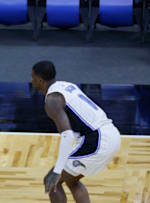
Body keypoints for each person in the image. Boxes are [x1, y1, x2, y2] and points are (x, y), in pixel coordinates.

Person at [30, 61, 121, 203]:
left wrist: (57, 170)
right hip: (111, 133)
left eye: (33, 77)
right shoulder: (67, 85)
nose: (31, 81)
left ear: (40, 80)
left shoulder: (52, 100)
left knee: (53, 181)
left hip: (97, 140)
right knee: (71, 180)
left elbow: (67, 135)